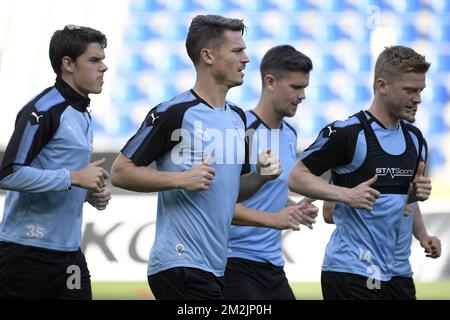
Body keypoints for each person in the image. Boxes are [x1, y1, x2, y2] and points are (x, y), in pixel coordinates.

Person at [110, 14, 281, 300]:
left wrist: (260, 177)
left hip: (216, 266)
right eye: (237, 51)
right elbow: (120, 172)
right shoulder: (175, 112)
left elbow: (233, 193)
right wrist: (181, 179)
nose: (247, 59)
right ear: (208, 56)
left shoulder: (239, 118)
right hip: (180, 262)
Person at [288, 45, 433, 299]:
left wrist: (416, 208)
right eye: (410, 90)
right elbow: (297, 177)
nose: (418, 98)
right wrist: (345, 195)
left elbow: (403, 202)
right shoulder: (348, 133)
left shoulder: (415, 138)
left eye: (420, 90)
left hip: (398, 274)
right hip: (352, 271)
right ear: (382, 86)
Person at [0, 25, 111, 300]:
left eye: (103, 58)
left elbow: (58, 174)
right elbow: (8, 175)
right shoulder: (43, 110)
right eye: (94, 60)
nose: (104, 67)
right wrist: (74, 178)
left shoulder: (82, 114)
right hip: (26, 252)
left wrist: (87, 194)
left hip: (69, 254)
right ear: (68, 64)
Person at [224, 45, 318, 300]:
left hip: (272, 264)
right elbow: (219, 202)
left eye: (305, 88)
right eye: (296, 87)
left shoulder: (290, 134)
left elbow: (269, 193)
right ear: (270, 81)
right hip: (233, 261)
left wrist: (295, 207)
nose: (302, 96)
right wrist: (273, 218)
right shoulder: (239, 128)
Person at [323, 201, 441, 300]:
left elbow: (410, 201)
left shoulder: (412, 174)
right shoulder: (352, 173)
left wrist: (423, 235)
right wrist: (391, 205)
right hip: (360, 265)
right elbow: (329, 213)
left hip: (399, 269)